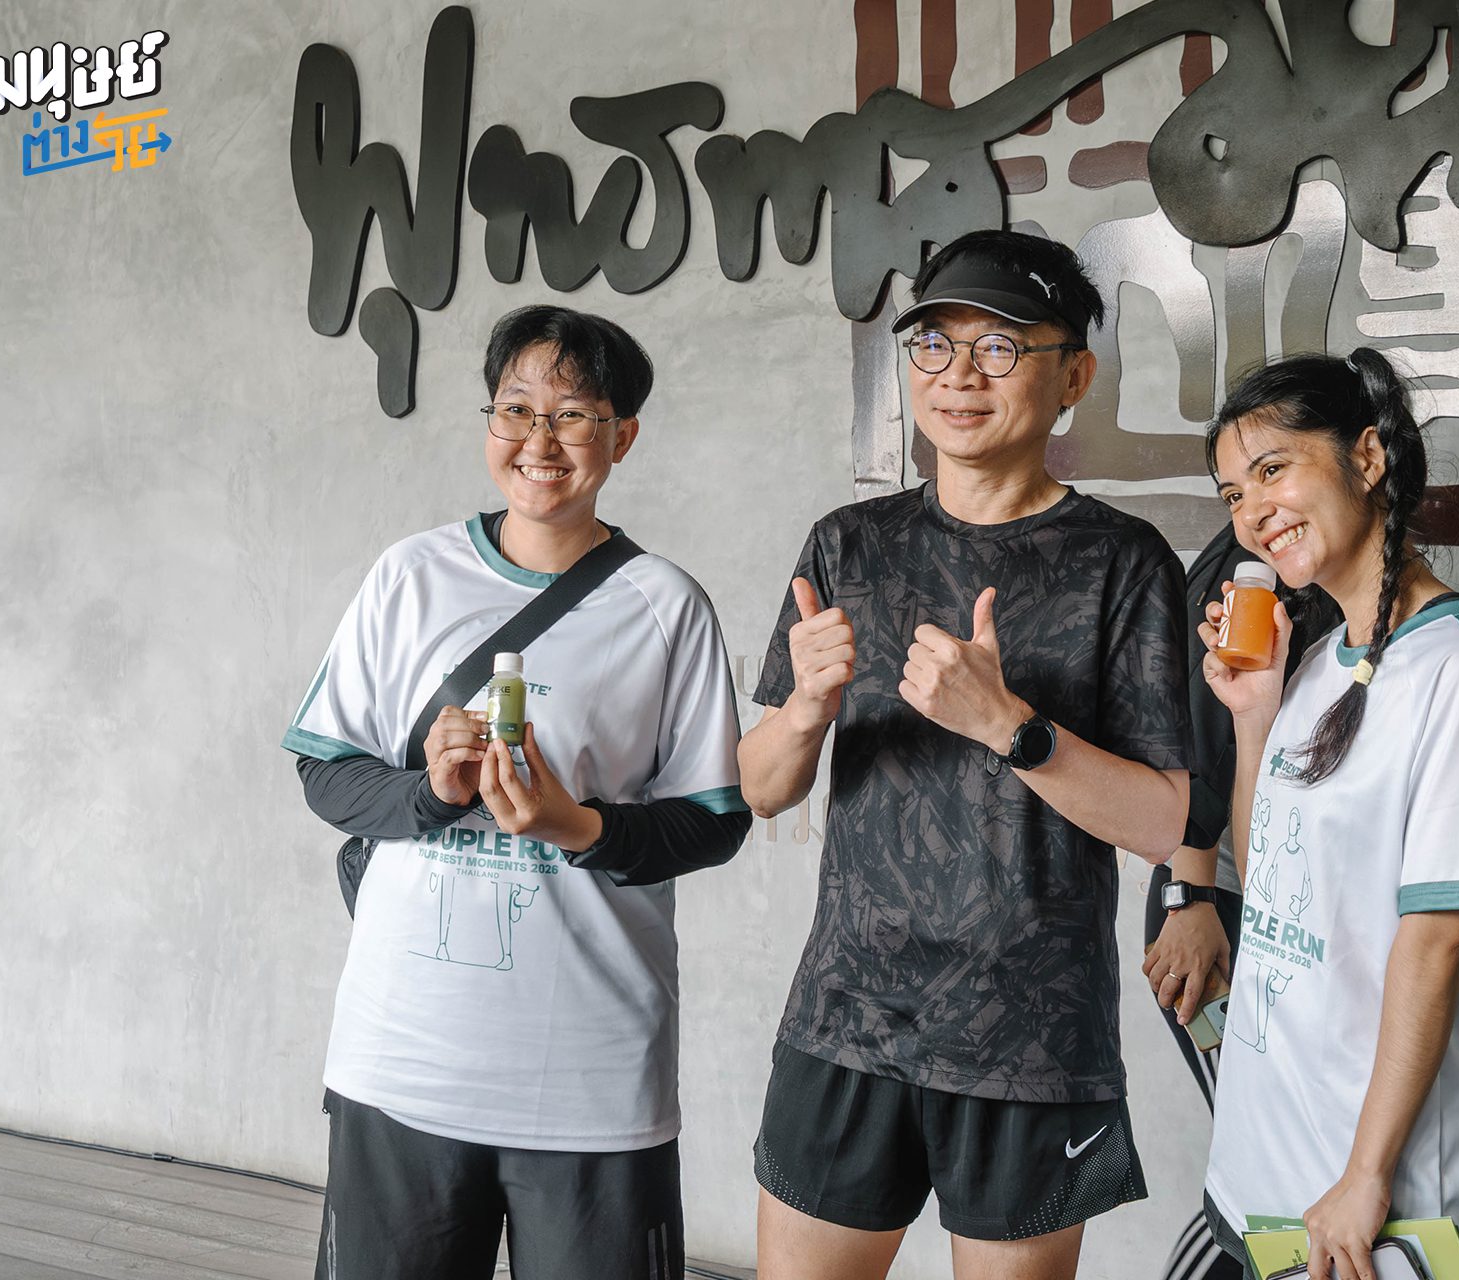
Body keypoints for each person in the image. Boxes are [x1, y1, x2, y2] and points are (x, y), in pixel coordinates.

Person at [737, 228, 1194, 1280]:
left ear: (1073, 375)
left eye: (1000, 348)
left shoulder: (1122, 562)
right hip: (848, 1017)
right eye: (936, 345)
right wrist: (805, 708)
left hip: (1030, 1038)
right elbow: (760, 789)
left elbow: (1167, 821)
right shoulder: (848, 544)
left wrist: (1010, 728)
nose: (958, 376)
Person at [282, 305, 750, 1280]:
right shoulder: (410, 575)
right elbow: (326, 768)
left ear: (622, 435)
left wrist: (573, 824)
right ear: (490, 420)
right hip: (401, 1060)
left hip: (591, 1079)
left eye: (573, 414)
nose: (540, 440)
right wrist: (428, 795)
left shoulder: (665, 605)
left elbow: (713, 821)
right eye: (515, 409)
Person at [1195, 351, 1459, 1280]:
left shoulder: (1451, 663)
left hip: (1370, 1201)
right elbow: (1272, 881)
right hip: (1266, 1167)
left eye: (1273, 469)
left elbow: (1437, 941)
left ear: (1369, 457)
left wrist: (1365, 1176)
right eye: (1233, 495)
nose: (1253, 512)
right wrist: (1255, 720)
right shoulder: (1315, 662)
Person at [1140, 525, 1339, 1280]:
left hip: (1289, 912)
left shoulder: (1331, 571)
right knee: (1266, 1164)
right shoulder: (1249, 570)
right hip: (1216, 912)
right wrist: (1189, 897)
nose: (1259, 503)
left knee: (1297, 1159)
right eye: (1237, 487)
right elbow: (1192, 739)